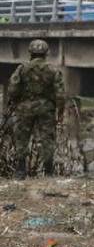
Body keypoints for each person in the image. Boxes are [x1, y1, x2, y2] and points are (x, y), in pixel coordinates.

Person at [4, 39, 65, 179]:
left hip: (24, 108)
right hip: (46, 109)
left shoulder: (22, 69)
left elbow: (12, 90)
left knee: (22, 139)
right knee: (47, 139)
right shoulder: (53, 70)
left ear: (30, 52)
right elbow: (60, 95)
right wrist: (60, 112)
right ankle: (48, 172)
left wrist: (15, 103)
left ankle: (20, 171)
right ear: (46, 53)